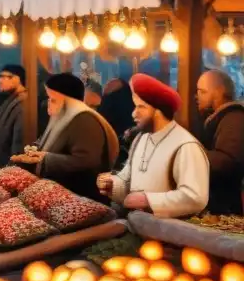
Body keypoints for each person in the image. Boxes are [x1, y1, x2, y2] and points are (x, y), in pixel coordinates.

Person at [98, 74, 209, 219]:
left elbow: (196, 198)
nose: (133, 114)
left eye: (141, 107)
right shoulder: (140, 139)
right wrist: (112, 185)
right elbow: (127, 181)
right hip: (139, 225)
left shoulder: (186, 146)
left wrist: (148, 200)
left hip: (173, 234)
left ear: (158, 111)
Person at [12, 73, 118, 200]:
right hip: (58, 195)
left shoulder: (84, 120)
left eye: (53, 99)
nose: (48, 104)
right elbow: (49, 144)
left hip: (81, 200)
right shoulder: (62, 118)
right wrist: (34, 150)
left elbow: (86, 161)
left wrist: (45, 158)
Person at [196, 68, 244, 216]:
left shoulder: (234, 119)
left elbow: (227, 162)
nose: (197, 96)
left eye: (202, 91)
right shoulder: (222, 119)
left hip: (225, 209)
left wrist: (192, 153)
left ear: (219, 92)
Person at [0, 64, 26, 171]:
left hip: (10, 169)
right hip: (2, 166)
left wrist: (13, 169)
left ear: (17, 79)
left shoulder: (23, 103)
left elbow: (19, 142)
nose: (0, 80)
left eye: (4, 77)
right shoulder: (11, 100)